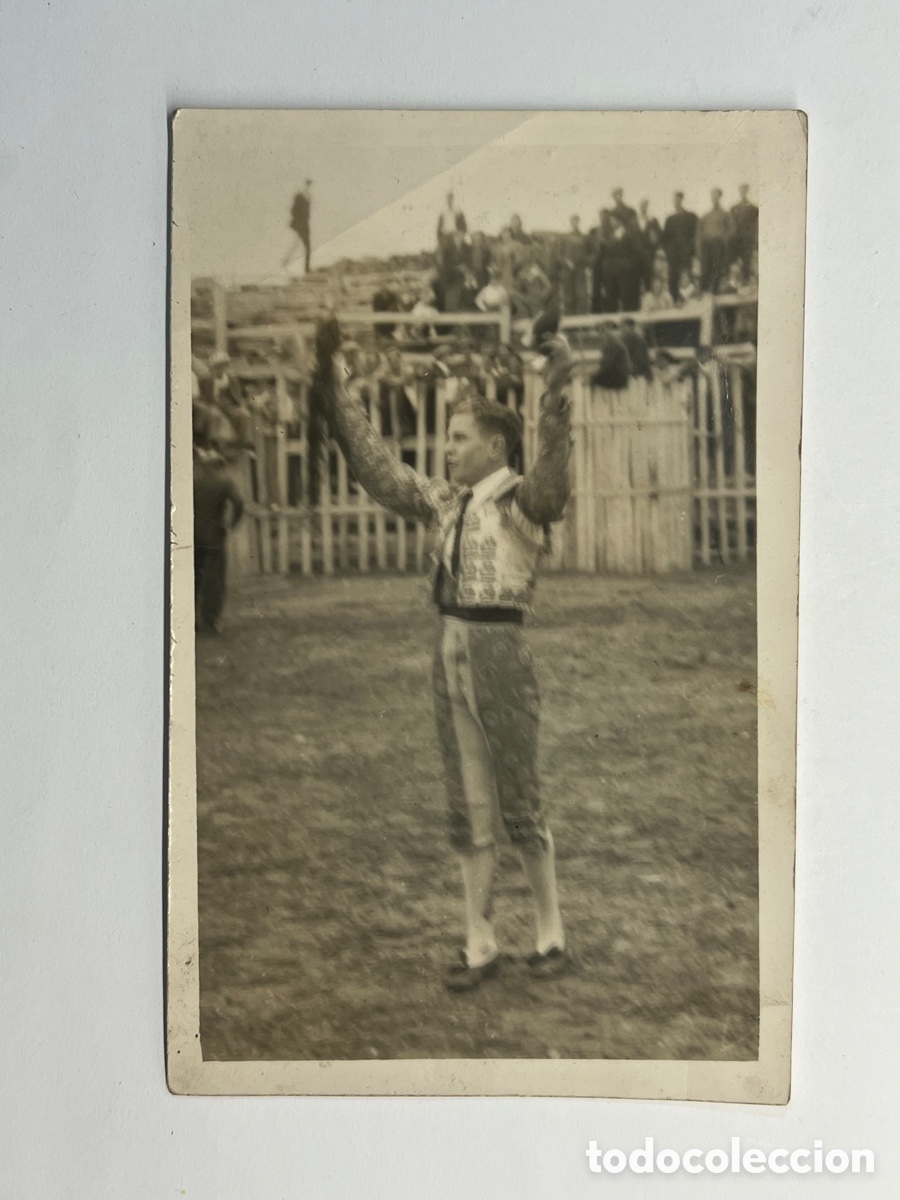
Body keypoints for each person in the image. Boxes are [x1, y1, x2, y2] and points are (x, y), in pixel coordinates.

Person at [322, 325, 574, 990]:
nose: (447, 447)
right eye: (449, 436)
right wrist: (337, 392)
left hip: (500, 648)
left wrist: (556, 394)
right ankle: (480, 944)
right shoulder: (446, 499)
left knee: (518, 798)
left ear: (495, 445)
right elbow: (379, 472)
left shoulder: (520, 498)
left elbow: (554, 487)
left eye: (459, 438)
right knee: (468, 806)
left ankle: (551, 935)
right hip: (451, 648)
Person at [193, 447, 245, 635]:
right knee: (214, 580)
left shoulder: (194, 482)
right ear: (218, 465)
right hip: (214, 535)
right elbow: (238, 503)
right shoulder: (224, 482)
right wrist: (232, 523)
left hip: (192, 535)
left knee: (194, 578)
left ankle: (193, 621)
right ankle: (210, 621)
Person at [662, 191, 698, 303]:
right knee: (673, 280)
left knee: (687, 279)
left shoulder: (691, 217)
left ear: (682, 200)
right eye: (674, 200)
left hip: (686, 255)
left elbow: (696, 235)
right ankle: (674, 303)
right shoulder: (670, 219)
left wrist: (691, 250)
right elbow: (665, 238)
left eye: (678, 200)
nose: (676, 202)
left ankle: (689, 304)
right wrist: (669, 252)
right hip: (673, 256)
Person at [697, 188, 735, 295]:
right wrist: (699, 249)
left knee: (717, 269)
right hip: (706, 245)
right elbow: (699, 233)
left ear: (720, 197)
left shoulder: (725, 214)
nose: (714, 198)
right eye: (712, 196)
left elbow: (732, 229)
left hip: (718, 245)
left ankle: (715, 293)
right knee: (705, 270)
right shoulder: (706, 215)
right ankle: (704, 294)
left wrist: (723, 238)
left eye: (716, 196)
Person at [559, 214, 590, 315]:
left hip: (580, 268)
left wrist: (585, 263)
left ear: (579, 222)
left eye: (577, 221)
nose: (575, 223)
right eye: (573, 221)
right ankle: (569, 317)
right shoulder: (565, 238)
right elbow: (559, 254)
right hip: (567, 269)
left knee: (581, 294)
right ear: (570, 223)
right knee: (568, 294)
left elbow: (589, 252)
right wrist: (566, 261)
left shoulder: (584, 237)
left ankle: (581, 318)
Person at [282, 180, 313, 273]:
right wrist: (299, 223)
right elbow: (293, 211)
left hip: (304, 226)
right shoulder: (299, 196)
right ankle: (285, 264)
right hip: (300, 226)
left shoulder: (308, 197)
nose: (308, 186)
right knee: (302, 247)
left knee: (304, 247)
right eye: (307, 184)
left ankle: (305, 268)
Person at [590, 322, 632, 390]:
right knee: (593, 377)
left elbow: (607, 364)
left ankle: (595, 399)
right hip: (619, 374)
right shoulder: (612, 342)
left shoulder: (612, 344)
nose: (600, 336)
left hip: (619, 376)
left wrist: (596, 373)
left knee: (592, 380)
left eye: (601, 332)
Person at [730, 184, 759, 280]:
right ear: (739, 191)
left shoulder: (753, 208)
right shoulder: (734, 208)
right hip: (736, 238)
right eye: (741, 190)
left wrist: (754, 240)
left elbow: (756, 225)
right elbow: (731, 224)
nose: (743, 192)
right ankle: (737, 282)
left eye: (744, 190)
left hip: (747, 238)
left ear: (747, 191)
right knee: (736, 260)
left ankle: (746, 280)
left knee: (747, 260)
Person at [636, 199, 663, 290]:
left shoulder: (653, 220)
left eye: (645, 205)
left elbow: (659, 236)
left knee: (649, 277)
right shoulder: (635, 220)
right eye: (642, 205)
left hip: (649, 253)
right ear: (639, 207)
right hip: (637, 254)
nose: (644, 208)